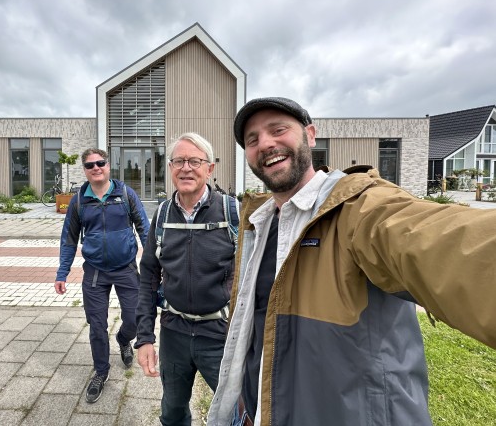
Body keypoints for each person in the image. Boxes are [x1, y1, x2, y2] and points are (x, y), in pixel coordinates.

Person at [208, 97, 496, 426]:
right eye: (252, 139)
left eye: (278, 130)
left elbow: (441, 241)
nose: (266, 144)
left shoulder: (359, 209)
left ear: (310, 135)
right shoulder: (258, 222)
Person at [136, 132, 239, 426]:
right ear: (170, 168)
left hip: (219, 334)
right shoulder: (162, 215)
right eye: (178, 161)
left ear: (210, 168)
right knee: (172, 411)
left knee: (235, 412)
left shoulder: (233, 213)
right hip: (174, 333)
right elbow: (148, 277)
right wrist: (144, 337)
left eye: (195, 161)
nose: (186, 168)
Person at [55, 148, 150, 403]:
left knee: (134, 319)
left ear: (109, 165)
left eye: (101, 163)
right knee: (97, 326)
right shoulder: (78, 201)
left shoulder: (126, 194)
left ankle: (122, 340)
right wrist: (62, 272)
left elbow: (144, 229)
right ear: (85, 170)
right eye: (90, 165)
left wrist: (155, 266)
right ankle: (101, 371)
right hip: (95, 271)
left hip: (126, 268)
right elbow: (69, 239)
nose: (96, 168)